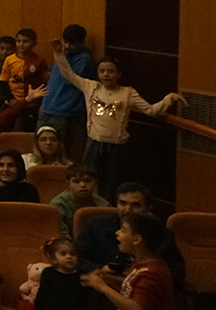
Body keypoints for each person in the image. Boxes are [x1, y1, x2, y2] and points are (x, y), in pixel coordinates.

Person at [50, 43, 185, 197]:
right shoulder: (91, 87)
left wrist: (169, 99)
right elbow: (68, 74)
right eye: (102, 71)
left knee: (113, 184)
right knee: (89, 180)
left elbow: (151, 110)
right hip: (94, 143)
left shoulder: (128, 93)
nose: (106, 75)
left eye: (110, 71)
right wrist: (58, 54)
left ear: (119, 74)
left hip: (117, 146)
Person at [85, 211, 176, 310]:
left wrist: (103, 287)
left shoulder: (151, 273)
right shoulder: (141, 263)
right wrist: (108, 279)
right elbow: (132, 289)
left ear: (137, 239)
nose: (117, 233)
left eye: (123, 230)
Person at [38, 25, 96, 163]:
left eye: (73, 43)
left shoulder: (84, 59)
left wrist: (58, 54)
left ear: (82, 43)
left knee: (59, 153)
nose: (68, 46)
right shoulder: (64, 55)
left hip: (65, 112)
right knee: (40, 150)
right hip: (47, 107)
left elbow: (70, 79)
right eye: (65, 41)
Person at [25, 236, 90, 310]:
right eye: (63, 254)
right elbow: (42, 295)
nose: (69, 257)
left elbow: (86, 298)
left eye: (72, 254)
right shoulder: (49, 273)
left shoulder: (82, 275)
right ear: (54, 259)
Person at [49, 166, 107, 236]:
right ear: (68, 184)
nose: (83, 185)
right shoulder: (58, 205)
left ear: (95, 183)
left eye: (87, 181)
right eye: (76, 181)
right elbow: (60, 236)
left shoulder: (103, 205)